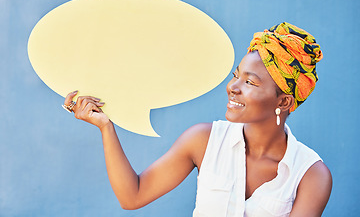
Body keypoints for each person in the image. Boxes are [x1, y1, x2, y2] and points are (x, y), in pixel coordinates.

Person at [62, 22, 332, 216]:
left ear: (283, 102)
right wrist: (106, 127)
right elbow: (133, 196)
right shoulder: (203, 140)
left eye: (249, 81)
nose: (233, 87)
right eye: (236, 75)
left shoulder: (310, 174)